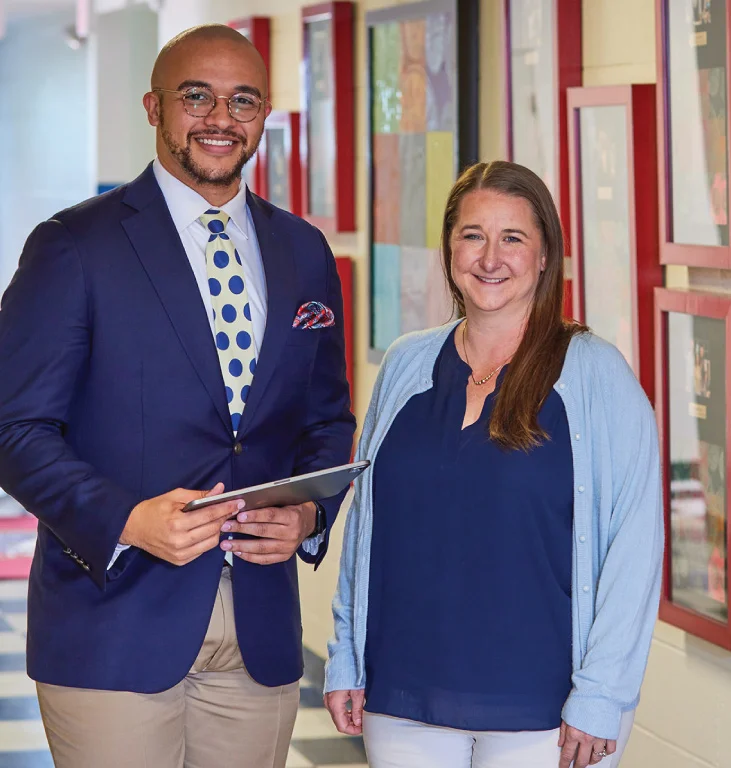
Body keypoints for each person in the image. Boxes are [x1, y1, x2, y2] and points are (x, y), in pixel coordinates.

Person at [0, 24, 355, 768]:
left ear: (264, 115)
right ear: (153, 107)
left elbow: (326, 419)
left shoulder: (303, 252)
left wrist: (309, 514)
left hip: (259, 627)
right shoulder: (73, 247)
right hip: (113, 621)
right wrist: (126, 520)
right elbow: (16, 427)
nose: (221, 118)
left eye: (243, 100)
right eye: (196, 97)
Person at [323, 161, 663, 767]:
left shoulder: (594, 375)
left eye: (513, 239)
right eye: (472, 235)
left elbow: (635, 548)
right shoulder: (405, 365)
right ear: (450, 247)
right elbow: (366, 529)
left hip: (543, 709)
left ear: (543, 257)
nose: (490, 257)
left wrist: (603, 695)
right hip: (402, 691)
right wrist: (346, 652)